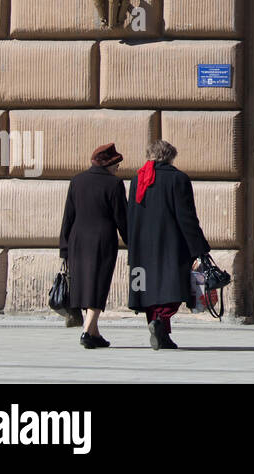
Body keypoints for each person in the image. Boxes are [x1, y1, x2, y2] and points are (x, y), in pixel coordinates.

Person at [127, 139, 211, 350]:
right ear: (170, 156)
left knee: (149, 290)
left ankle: (161, 332)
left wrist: (132, 245)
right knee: (173, 287)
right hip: (171, 244)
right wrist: (199, 247)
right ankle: (159, 323)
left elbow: (132, 214)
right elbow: (187, 217)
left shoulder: (138, 179)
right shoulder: (178, 178)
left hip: (142, 245)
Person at [58, 142, 129, 349]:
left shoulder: (77, 181)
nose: (118, 168)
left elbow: (68, 217)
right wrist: (132, 243)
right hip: (102, 241)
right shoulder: (114, 184)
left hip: (77, 241)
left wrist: (64, 248)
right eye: (116, 163)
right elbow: (122, 218)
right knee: (98, 285)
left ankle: (95, 333)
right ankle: (87, 331)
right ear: (108, 164)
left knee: (85, 285)